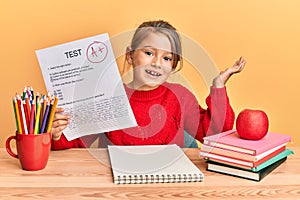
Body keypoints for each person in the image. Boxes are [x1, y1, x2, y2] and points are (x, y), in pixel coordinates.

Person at [51, 20, 246, 150]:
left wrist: (218, 85)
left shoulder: (180, 97)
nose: (157, 63)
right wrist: (57, 135)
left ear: (173, 65)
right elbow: (76, 143)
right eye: (149, 53)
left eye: (167, 58)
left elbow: (214, 134)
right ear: (130, 55)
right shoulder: (108, 97)